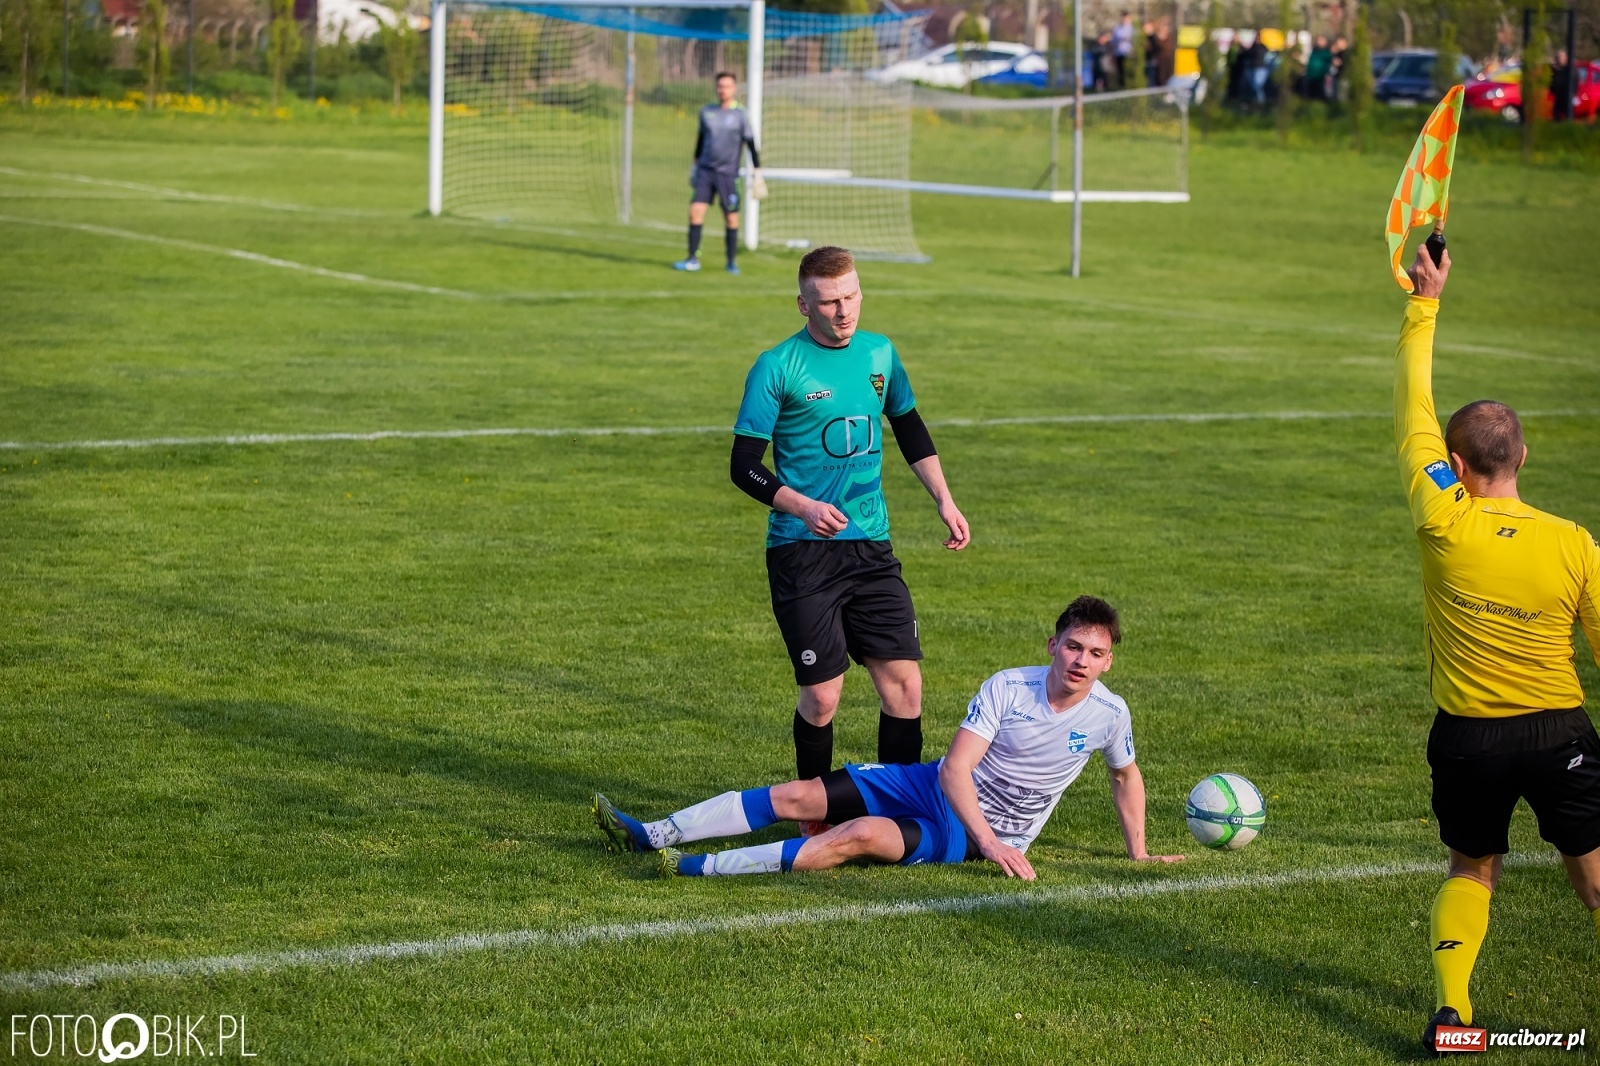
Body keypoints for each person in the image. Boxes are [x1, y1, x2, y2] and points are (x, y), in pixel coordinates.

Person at [593, 597, 1186, 878]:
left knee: (858, 836)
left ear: (1109, 662)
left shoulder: (1110, 714)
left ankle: (692, 868)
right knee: (799, 795)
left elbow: (1124, 774)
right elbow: (955, 770)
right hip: (937, 786)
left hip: (975, 834)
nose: (1082, 660)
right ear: (1052, 646)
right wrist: (992, 837)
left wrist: (1135, 850)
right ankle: (650, 835)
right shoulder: (1009, 687)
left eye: (1096, 653)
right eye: (1074, 646)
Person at [1395, 247, 1600, 1052]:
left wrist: (1425, 303)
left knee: (1471, 868)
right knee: (1592, 881)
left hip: (1471, 737)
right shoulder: (1575, 542)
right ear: (1521, 461)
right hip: (1560, 733)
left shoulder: (1442, 516)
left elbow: (1414, 402)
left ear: (1455, 465)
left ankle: (1455, 1017)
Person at [727, 246, 970, 820]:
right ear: (803, 304)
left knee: (904, 688)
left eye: (852, 295)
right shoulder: (778, 366)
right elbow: (744, 464)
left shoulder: (879, 352)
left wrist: (944, 498)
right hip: (801, 551)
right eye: (830, 301)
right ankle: (814, 812)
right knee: (822, 696)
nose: (844, 311)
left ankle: (898, 812)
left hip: (871, 547)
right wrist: (803, 506)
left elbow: (907, 424)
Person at [674, 71, 761, 276]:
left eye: (727, 86)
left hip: (728, 174)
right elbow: (701, 140)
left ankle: (731, 262)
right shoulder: (707, 112)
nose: (723, 90)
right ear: (716, 88)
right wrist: (695, 166)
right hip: (705, 171)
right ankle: (692, 259)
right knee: (695, 212)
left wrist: (757, 171)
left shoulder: (741, 115)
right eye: (720, 86)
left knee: (731, 218)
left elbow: (750, 144)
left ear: (734, 89)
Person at [1305, 35, 1332, 100]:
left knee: (1319, 91)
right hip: (1311, 74)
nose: (1320, 42)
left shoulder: (1327, 52)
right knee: (1310, 92)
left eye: (1322, 40)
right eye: (1319, 40)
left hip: (1320, 75)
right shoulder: (1314, 51)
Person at [1112, 12, 1135, 87]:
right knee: (1121, 72)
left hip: (1129, 53)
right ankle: (1122, 87)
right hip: (1119, 53)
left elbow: (1137, 40)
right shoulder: (1117, 29)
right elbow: (1113, 41)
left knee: (1130, 71)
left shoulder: (1132, 28)